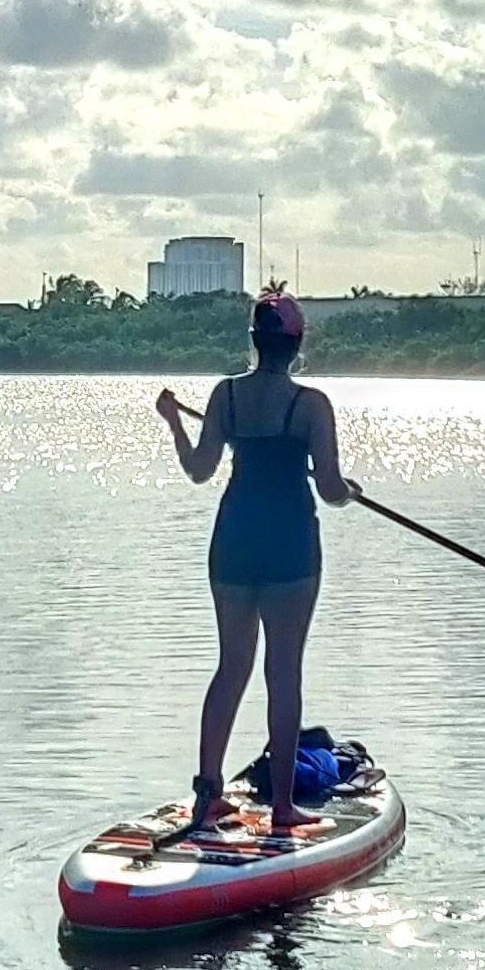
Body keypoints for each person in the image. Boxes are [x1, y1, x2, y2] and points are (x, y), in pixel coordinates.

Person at [155, 291, 357, 833]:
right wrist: (349, 492)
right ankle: (286, 809)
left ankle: (208, 794)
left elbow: (200, 469)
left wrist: (173, 421)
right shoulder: (311, 404)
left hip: (235, 540)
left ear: (254, 341)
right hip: (289, 542)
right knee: (282, 670)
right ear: (296, 345)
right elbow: (332, 488)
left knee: (232, 665)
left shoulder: (225, 397)